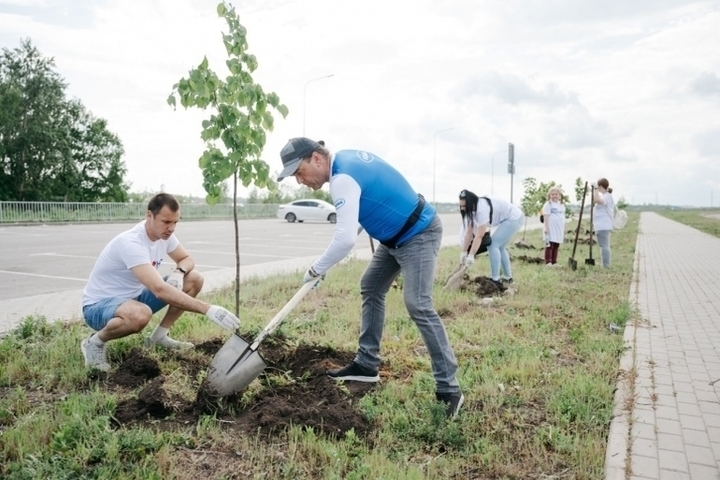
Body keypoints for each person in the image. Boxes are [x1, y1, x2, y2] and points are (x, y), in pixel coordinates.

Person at [277, 137, 464, 418]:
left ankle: (449, 388)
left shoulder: (342, 177)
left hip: (419, 233)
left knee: (418, 304)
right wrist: (328, 262)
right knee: (371, 286)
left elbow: (344, 239)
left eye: (299, 172)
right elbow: (362, 215)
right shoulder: (344, 165)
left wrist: (316, 268)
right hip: (394, 239)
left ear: (317, 158)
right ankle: (366, 365)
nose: (300, 181)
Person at [80, 193, 240, 371]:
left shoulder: (165, 236)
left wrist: (179, 272)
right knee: (140, 314)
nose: (171, 228)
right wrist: (209, 309)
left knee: (194, 279)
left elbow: (186, 259)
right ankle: (94, 342)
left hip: (134, 297)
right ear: (150, 216)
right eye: (166, 222)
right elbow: (158, 289)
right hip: (98, 307)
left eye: (175, 223)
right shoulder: (131, 243)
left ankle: (159, 337)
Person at [458, 189, 524, 287]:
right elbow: (469, 233)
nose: (462, 208)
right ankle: (508, 278)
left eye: (464, 206)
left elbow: (479, 236)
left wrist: (471, 255)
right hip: (510, 218)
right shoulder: (471, 210)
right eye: (461, 206)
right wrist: (463, 252)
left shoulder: (482, 209)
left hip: (514, 218)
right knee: (500, 247)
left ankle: (495, 279)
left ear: (471, 203)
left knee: (493, 245)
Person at [592, 178, 615, 268]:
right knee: (604, 245)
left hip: (603, 225)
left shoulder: (607, 196)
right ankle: (605, 264)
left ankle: (606, 266)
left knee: (604, 246)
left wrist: (595, 189)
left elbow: (597, 200)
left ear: (601, 186)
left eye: (598, 187)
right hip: (602, 225)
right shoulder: (606, 196)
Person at [542, 187, 566, 266]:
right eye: (552, 194)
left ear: (559, 195)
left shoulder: (561, 205)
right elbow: (546, 216)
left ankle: (554, 261)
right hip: (550, 227)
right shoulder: (548, 204)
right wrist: (546, 227)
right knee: (550, 244)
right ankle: (548, 261)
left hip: (559, 228)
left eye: (556, 194)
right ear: (549, 195)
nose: (554, 196)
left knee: (556, 244)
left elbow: (563, 216)